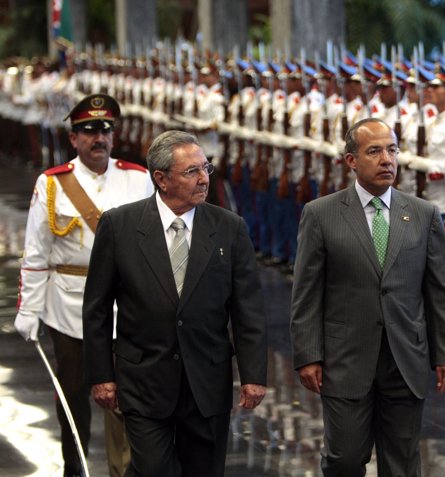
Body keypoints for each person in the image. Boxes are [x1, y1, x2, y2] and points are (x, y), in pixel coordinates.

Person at [82, 130, 268, 476]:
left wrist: (254, 374)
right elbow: (97, 308)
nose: (203, 179)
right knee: (152, 470)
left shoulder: (229, 228)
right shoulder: (119, 226)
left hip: (206, 384)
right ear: (161, 179)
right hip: (143, 381)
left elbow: (248, 310)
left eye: (206, 169)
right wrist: (100, 375)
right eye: (191, 172)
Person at [290, 117, 445, 476]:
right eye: (375, 151)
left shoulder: (423, 214)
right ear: (351, 160)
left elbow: (440, 291)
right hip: (345, 359)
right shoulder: (321, 214)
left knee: (402, 462)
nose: (387, 159)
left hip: (405, 358)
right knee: (345, 458)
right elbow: (306, 293)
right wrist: (308, 355)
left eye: (392, 150)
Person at [14, 93, 153, 477]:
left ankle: (123, 470)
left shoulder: (137, 179)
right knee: (72, 396)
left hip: (125, 306)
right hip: (70, 307)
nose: (99, 138)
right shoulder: (53, 184)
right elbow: (36, 253)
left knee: (127, 398)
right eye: (89, 131)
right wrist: (29, 310)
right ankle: (74, 468)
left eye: (105, 130)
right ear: (73, 138)